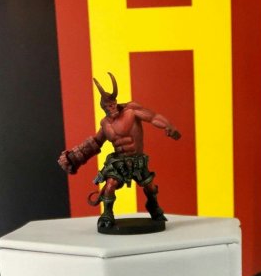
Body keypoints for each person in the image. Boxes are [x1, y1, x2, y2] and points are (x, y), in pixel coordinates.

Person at [58, 72, 181, 231]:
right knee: (110, 186)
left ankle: (153, 206)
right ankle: (107, 214)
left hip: (137, 160)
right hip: (118, 162)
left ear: (115, 102)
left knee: (150, 187)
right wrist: (74, 157)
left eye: (112, 104)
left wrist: (168, 126)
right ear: (103, 108)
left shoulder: (131, 110)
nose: (111, 108)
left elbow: (153, 117)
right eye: (107, 106)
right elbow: (96, 142)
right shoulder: (105, 124)